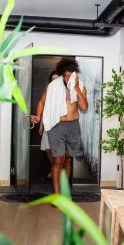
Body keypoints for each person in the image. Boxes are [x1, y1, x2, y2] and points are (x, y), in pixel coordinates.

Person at [31, 59, 88, 194]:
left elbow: (84, 107)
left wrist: (76, 89)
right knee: (57, 160)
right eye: (66, 75)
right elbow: (41, 102)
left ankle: (65, 190)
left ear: (76, 75)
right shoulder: (53, 86)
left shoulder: (80, 87)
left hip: (73, 126)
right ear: (62, 74)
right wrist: (38, 117)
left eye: (71, 75)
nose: (68, 79)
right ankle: (57, 194)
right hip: (56, 125)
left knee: (68, 159)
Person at [35, 71, 59, 179]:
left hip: (60, 123)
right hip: (48, 122)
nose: (54, 81)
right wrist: (41, 123)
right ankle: (54, 168)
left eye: (56, 78)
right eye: (53, 79)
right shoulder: (48, 89)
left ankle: (56, 171)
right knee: (48, 149)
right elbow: (42, 104)